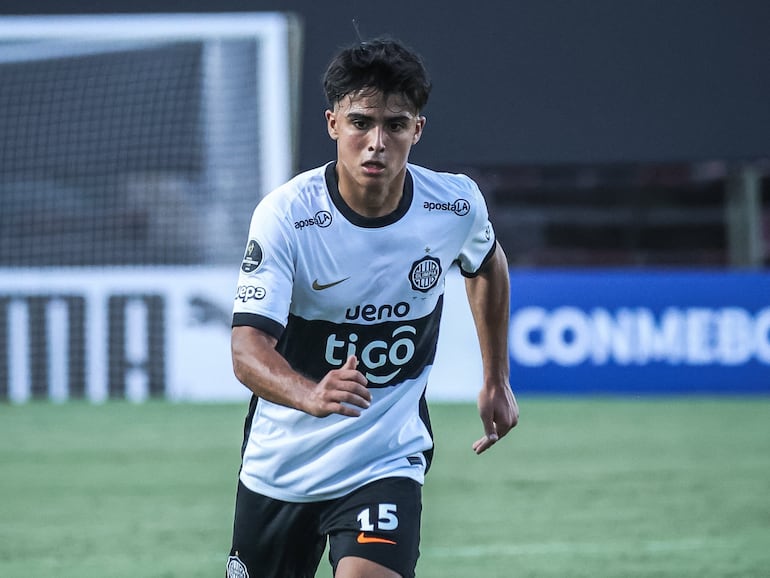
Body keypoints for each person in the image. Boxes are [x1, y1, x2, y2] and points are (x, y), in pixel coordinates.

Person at [226, 36, 518, 578]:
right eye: (361, 122)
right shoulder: (287, 216)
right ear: (333, 123)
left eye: (395, 125)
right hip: (281, 465)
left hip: (383, 458)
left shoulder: (453, 205)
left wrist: (496, 377)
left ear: (418, 130)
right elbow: (246, 350)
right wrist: (310, 393)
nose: (376, 142)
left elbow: (487, 264)